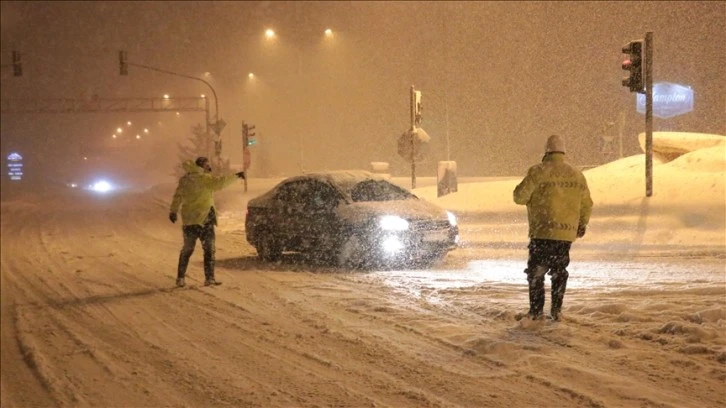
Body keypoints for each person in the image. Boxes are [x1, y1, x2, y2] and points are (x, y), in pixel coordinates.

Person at [513, 135, 593, 321]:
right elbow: (586, 203)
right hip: (565, 233)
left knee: (536, 272)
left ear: (546, 151)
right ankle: (556, 310)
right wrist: (582, 223)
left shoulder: (538, 171)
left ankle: (535, 312)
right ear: (563, 152)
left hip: (542, 231)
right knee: (559, 271)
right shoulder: (576, 174)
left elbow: (519, 197)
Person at [169, 156, 245, 287]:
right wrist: (237, 176)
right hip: (205, 218)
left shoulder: (185, 180)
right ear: (201, 166)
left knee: (187, 249)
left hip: (189, 220)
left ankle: (180, 278)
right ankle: (209, 278)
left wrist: (173, 211)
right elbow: (221, 183)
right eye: (207, 164)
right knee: (209, 249)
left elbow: (178, 196)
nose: (209, 166)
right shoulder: (204, 179)